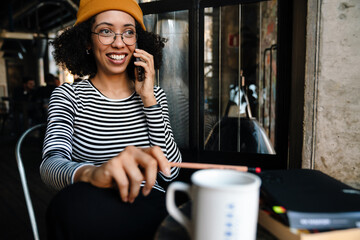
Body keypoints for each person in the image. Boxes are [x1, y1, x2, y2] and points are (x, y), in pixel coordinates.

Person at [40, 0, 182, 239]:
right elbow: (50, 164)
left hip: (149, 204)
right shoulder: (68, 96)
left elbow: (170, 173)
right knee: (69, 208)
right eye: (106, 31)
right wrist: (93, 174)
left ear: (138, 43)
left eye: (128, 32)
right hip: (93, 204)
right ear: (86, 40)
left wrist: (148, 98)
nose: (119, 43)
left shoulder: (153, 95)